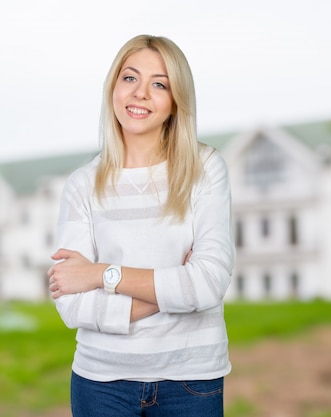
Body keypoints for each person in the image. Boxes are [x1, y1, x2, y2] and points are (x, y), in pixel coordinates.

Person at [47, 34, 235, 417]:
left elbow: (209, 283)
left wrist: (101, 275)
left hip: (191, 379)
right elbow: (71, 301)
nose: (141, 94)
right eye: (130, 78)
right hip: (100, 383)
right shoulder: (83, 183)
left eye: (159, 84)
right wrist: (173, 288)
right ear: (113, 87)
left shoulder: (205, 169)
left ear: (176, 100)